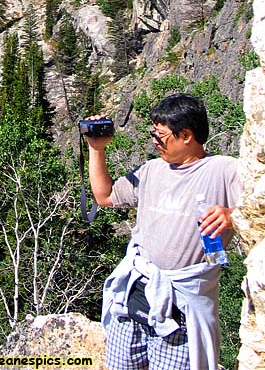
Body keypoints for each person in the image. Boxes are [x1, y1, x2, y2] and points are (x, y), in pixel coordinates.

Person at [85, 93, 241, 370]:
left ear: (186, 136)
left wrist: (233, 216)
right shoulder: (151, 170)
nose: (155, 142)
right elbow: (104, 196)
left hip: (182, 306)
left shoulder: (226, 170)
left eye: (160, 135)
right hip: (134, 296)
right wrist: (97, 149)